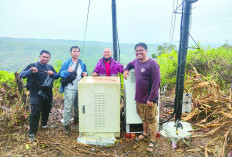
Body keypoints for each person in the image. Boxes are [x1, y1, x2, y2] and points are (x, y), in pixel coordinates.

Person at [123, 42, 160, 153]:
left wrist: (151, 99)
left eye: (141, 50)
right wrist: (126, 70)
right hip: (139, 98)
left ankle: (153, 141)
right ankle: (145, 133)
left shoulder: (153, 64)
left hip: (149, 100)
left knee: (151, 120)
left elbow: (156, 83)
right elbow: (129, 64)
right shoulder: (136, 62)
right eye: (137, 51)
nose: (139, 52)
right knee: (143, 117)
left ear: (146, 51)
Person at [20, 50, 59, 142]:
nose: (45, 59)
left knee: (46, 108)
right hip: (35, 92)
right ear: (39, 56)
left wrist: (52, 74)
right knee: (35, 111)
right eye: (43, 57)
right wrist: (30, 71)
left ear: (49, 58)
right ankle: (32, 132)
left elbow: (57, 76)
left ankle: (44, 125)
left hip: (48, 92)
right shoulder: (33, 65)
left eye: (47, 57)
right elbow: (22, 75)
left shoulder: (49, 67)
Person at [59, 46, 87, 134]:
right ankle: (66, 126)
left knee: (78, 106)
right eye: (74, 51)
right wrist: (67, 71)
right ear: (71, 53)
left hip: (80, 88)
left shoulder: (82, 63)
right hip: (70, 88)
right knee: (68, 108)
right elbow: (60, 74)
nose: (76, 53)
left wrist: (85, 74)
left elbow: (85, 73)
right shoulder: (67, 63)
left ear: (79, 53)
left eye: (77, 51)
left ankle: (76, 121)